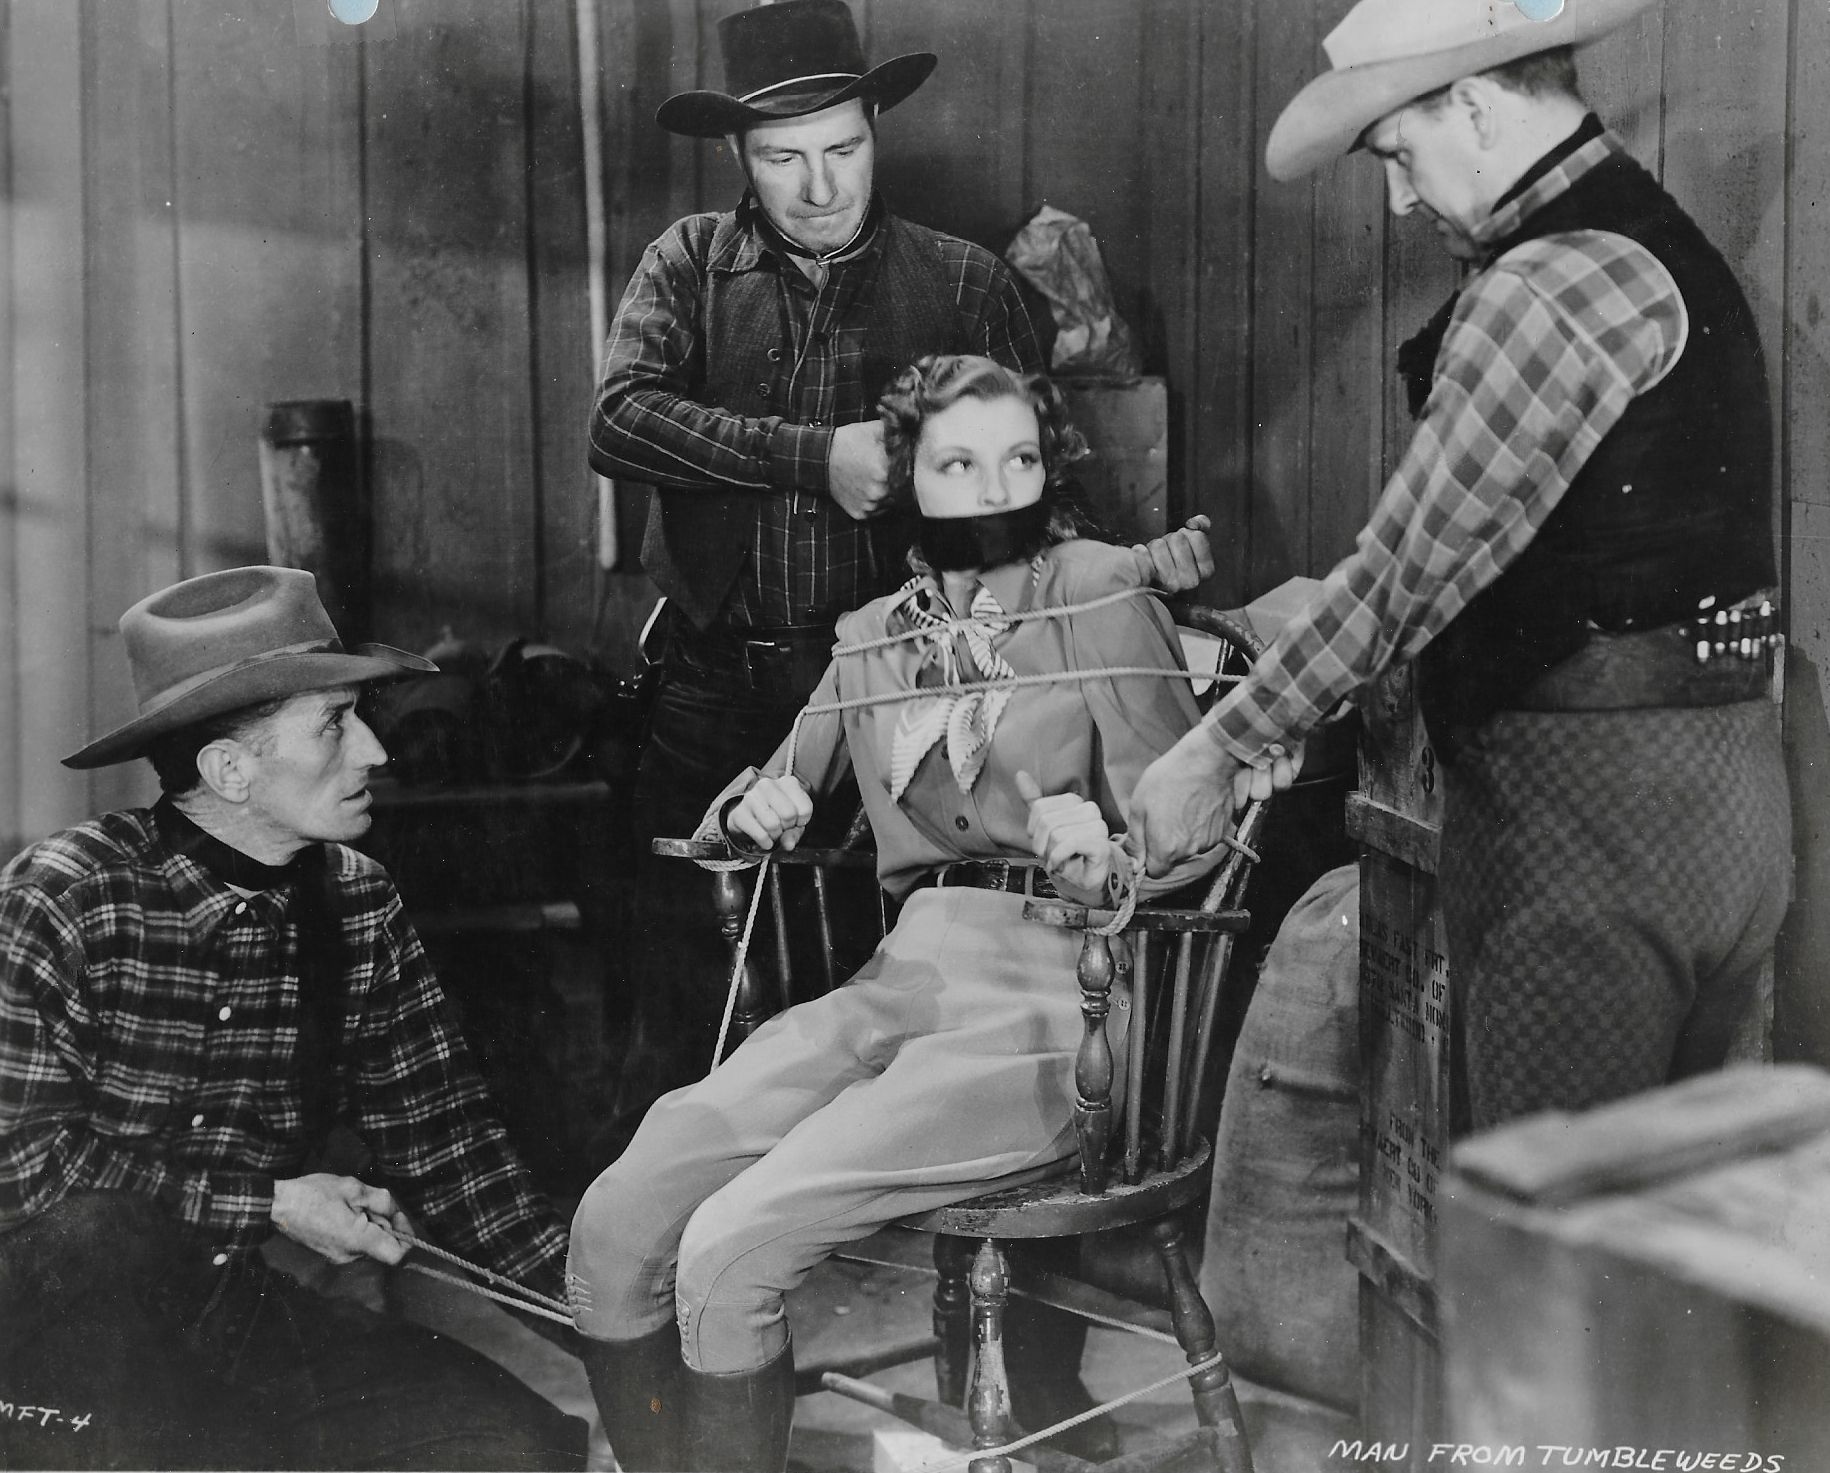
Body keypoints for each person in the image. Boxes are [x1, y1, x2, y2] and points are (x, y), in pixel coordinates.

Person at [588, 0, 1211, 1443]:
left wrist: (1097, 832)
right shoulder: (691, 271)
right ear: (741, 155)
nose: (819, 183)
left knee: (737, 1236)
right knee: (638, 1197)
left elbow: (1177, 830)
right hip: (764, 728)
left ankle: (1024, 1387)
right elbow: (622, 415)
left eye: (843, 150)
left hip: (1049, 984)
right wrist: (764, 797)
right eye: (784, 158)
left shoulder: (975, 312)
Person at [1130, 0, 1791, 1134]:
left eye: (1401, 155)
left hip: (1590, 837)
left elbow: (1403, 574)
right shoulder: (1657, 242)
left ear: (1476, 107)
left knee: (1541, 1246)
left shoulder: (1542, 286)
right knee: (1669, 1252)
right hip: (1731, 806)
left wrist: (1219, 744)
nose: (1401, 197)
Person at [0, 567, 586, 1471]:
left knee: (520, 1449)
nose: (376, 754)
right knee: (102, 1243)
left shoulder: (357, 905)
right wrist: (272, 1203)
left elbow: (457, 1158)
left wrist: (615, 1325)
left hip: (217, 1312)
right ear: (229, 769)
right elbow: (20, 1174)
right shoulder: (65, 900)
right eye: (333, 725)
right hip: (34, 1347)